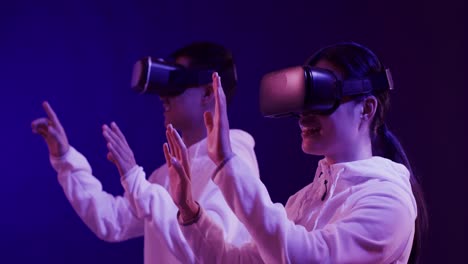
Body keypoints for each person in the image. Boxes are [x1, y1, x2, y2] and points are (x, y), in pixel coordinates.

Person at [164, 42, 428, 263]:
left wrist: (227, 164)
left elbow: (304, 258)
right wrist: (190, 211)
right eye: (302, 103)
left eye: (320, 98)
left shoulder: (389, 201)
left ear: (366, 109)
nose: (303, 117)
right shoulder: (304, 202)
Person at [31, 42, 261, 263]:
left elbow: (209, 253)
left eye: (175, 82)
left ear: (208, 93)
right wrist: (64, 159)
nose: (163, 96)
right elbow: (112, 221)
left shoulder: (233, 166)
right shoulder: (164, 176)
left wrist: (136, 181)